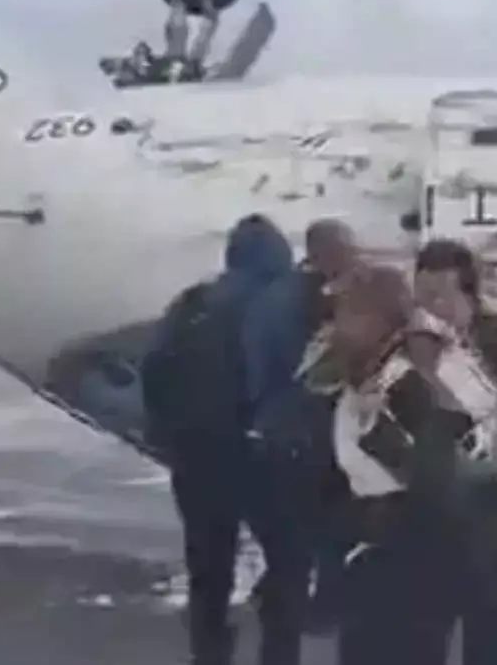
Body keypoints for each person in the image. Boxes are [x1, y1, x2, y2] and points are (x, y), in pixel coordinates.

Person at [139, 214, 309, 665]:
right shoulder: (281, 301)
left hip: (196, 457)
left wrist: (166, 432)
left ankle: (210, 654)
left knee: (209, 569)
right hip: (260, 457)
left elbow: (153, 369)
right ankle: (279, 654)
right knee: (289, 562)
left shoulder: (192, 303)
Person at [329, 265, 469, 665]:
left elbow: (434, 472)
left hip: (407, 555)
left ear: (378, 318)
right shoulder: (370, 374)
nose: (338, 324)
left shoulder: (405, 382)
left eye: (348, 313)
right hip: (384, 546)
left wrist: (379, 434)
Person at [407, 238, 497, 665]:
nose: (430, 307)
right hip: (427, 490)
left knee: (481, 600)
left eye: (441, 296)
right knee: (427, 608)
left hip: (482, 487)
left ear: (469, 295)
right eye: (423, 295)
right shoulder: (410, 340)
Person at [242, 218, 361, 630]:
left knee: (295, 518)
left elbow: (257, 367)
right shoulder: (326, 302)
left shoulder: (273, 299)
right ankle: (322, 603)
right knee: (328, 520)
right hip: (314, 427)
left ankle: (281, 588)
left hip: (285, 426)